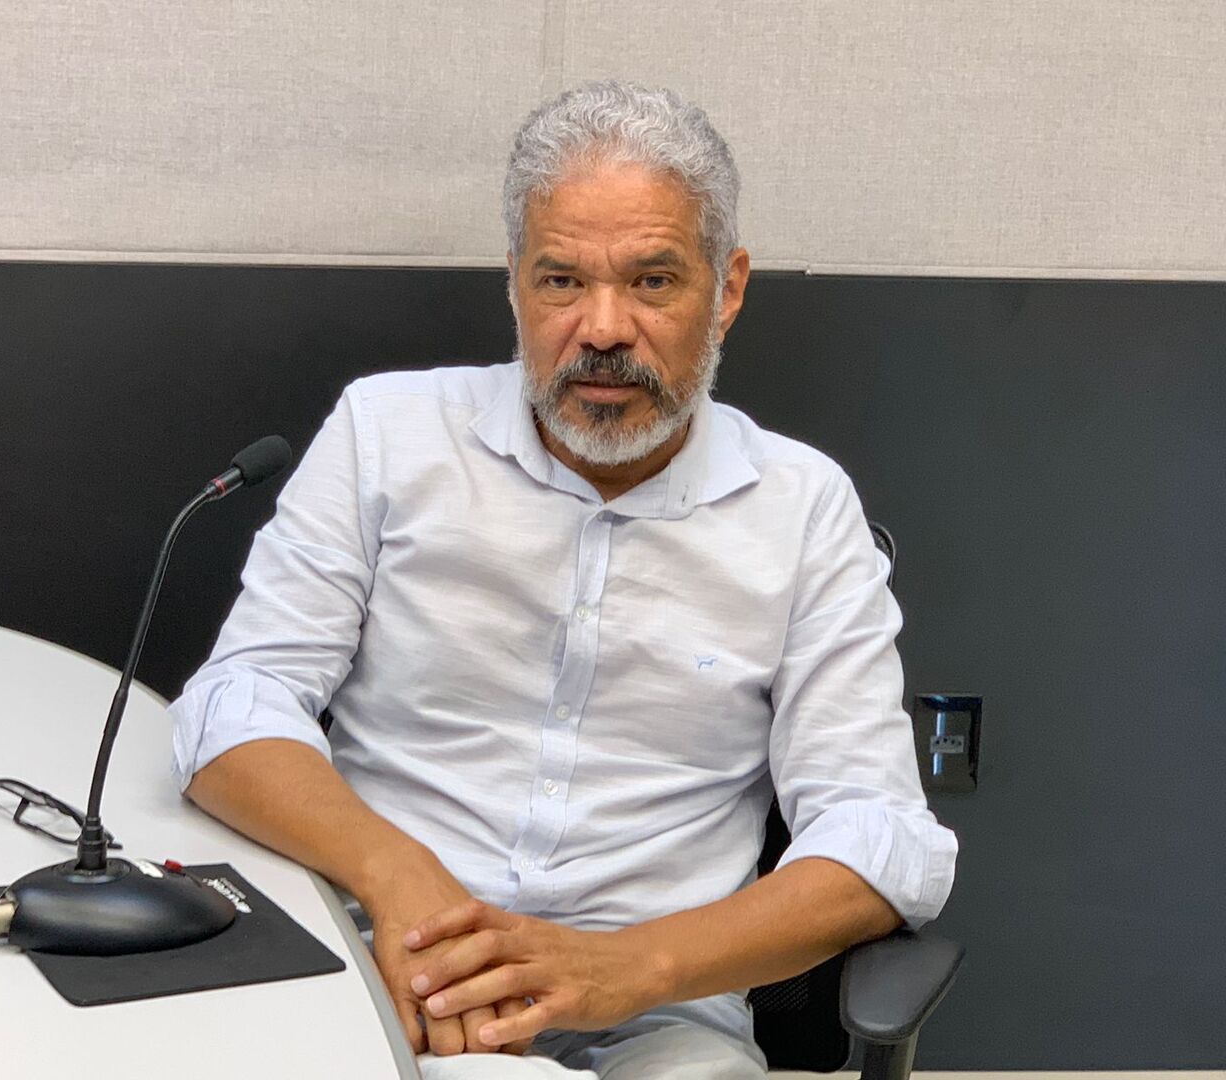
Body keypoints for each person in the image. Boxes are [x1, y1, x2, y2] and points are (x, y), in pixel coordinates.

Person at [169, 81, 957, 1079]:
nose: (602, 328)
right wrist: (398, 879)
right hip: (387, 974)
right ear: (515, 286)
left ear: (728, 288)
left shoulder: (802, 509)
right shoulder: (388, 437)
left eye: (654, 281)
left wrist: (627, 966)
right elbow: (234, 710)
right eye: (559, 282)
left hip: (657, 1019)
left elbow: (879, 835)